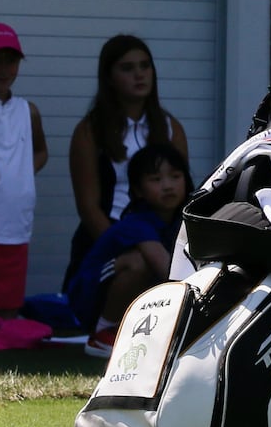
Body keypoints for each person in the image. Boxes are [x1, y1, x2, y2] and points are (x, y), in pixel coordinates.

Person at [63, 35, 189, 290]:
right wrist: (122, 245)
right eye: (127, 68)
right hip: (109, 239)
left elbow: (184, 192)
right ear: (109, 77)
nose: (139, 75)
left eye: (145, 66)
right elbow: (88, 208)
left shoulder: (170, 127)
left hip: (164, 237)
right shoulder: (89, 131)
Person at [68, 143, 188, 357]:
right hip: (90, 297)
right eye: (156, 180)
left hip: (136, 298)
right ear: (138, 190)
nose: (168, 186)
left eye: (175, 176)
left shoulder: (183, 220)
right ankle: (104, 333)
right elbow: (166, 271)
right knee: (139, 263)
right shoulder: (136, 223)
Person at [0, 23, 48, 318]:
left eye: (11, 60)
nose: (4, 69)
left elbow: (41, 152)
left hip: (15, 223)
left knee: (5, 309)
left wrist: (18, 178)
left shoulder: (27, 110)